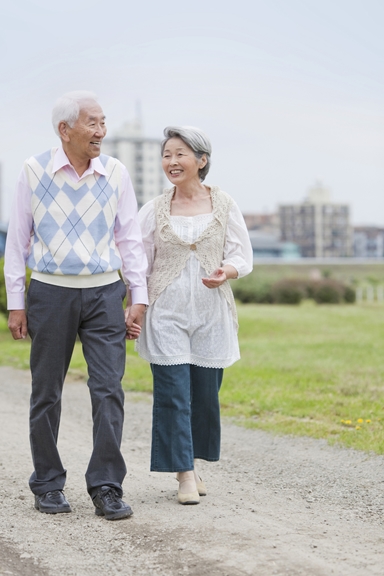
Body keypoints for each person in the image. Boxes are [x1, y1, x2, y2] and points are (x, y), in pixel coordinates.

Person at [4, 91, 148, 520]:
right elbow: (18, 241)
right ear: (64, 130)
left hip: (105, 292)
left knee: (109, 390)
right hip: (50, 292)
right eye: (92, 123)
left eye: (103, 122)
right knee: (46, 392)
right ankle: (47, 483)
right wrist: (16, 302)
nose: (101, 131)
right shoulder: (34, 171)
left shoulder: (117, 173)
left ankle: (107, 485)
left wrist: (137, 296)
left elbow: (129, 239)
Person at [136, 126, 253, 504]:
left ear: (201, 161)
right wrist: (134, 304)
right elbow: (138, 263)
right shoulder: (153, 209)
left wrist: (227, 271)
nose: (171, 161)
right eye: (167, 154)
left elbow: (241, 255)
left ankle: (192, 461)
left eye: (180, 154)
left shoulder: (224, 204)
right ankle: (184, 474)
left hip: (211, 313)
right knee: (172, 394)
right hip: (166, 312)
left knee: (205, 396)